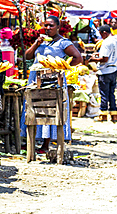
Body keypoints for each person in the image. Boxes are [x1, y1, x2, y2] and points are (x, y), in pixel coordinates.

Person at [24, 15, 84, 149]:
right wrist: (36, 43)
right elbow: (27, 56)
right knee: (34, 108)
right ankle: (31, 142)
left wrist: (61, 67)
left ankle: (46, 143)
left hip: (53, 80)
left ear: (58, 27)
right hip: (36, 78)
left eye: (51, 25)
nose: (48, 28)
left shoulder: (63, 42)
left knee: (49, 109)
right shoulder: (41, 41)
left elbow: (78, 58)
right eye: (46, 25)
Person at [91, 23, 117, 122]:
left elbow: (104, 58)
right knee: (111, 93)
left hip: (105, 71)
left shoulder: (106, 42)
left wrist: (93, 59)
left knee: (104, 93)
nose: (101, 36)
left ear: (104, 33)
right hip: (114, 69)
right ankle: (114, 114)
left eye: (101, 34)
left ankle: (103, 114)